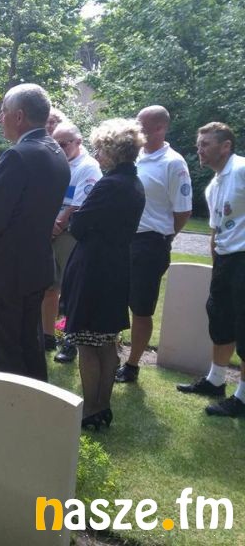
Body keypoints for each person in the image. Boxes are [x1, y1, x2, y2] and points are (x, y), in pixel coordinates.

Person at [0, 83, 70, 381]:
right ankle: (35, 402)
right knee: (30, 343)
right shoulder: (56, 151)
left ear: (20, 116)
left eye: (4, 112)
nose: (0, 118)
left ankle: (8, 406)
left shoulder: (18, 155)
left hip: (8, 269)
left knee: (5, 350)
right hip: (36, 265)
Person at [61, 119, 146, 429]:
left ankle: (91, 409)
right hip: (116, 266)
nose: (97, 155)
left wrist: (79, 221)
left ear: (113, 151)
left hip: (95, 268)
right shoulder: (134, 184)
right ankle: (103, 406)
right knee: (107, 341)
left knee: (88, 342)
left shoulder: (110, 184)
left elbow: (79, 225)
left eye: (100, 149)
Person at [115, 105, 193, 383]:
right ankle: (111, 353)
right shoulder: (133, 157)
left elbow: (183, 211)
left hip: (150, 243)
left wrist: (164, 237)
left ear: (160, 128)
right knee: (114, 299)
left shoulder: (174, 163)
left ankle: (132, 364)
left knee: (141, 307)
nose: (136, 128)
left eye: (142, 125)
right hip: (122, 239)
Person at [177, 122, 245, 417]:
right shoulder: (213, 185)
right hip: (226, 261)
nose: (199, 150)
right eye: (198, 145)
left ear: (225, 146)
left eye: (205, 144)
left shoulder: (241, 169)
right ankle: (215, 381)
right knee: (220, 318)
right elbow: (216, 232)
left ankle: (242, 398)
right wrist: (217, 264)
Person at [44, 121, 102, 362]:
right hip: (49, 232)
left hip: (70, 235)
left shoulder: (89, 167)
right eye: (55, 144)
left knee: (73, 291)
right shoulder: (56, 162)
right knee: (49, 286)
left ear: (78, 142)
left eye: (63, 144)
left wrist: (55, 227)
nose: (58, 148)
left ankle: (70, 342)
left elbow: (77, 205)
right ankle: (47, 336)